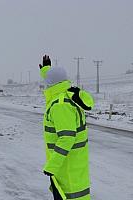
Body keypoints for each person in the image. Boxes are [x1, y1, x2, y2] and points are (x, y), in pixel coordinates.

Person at [39, 55, 94, 200]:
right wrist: (46, 70)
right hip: (73, 162)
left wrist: (52, 165)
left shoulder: (60, 105)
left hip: (67, 164)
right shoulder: (65, 95)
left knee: (72, 196)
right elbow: (54, 79)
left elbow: (67, 138)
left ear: (50, 84)